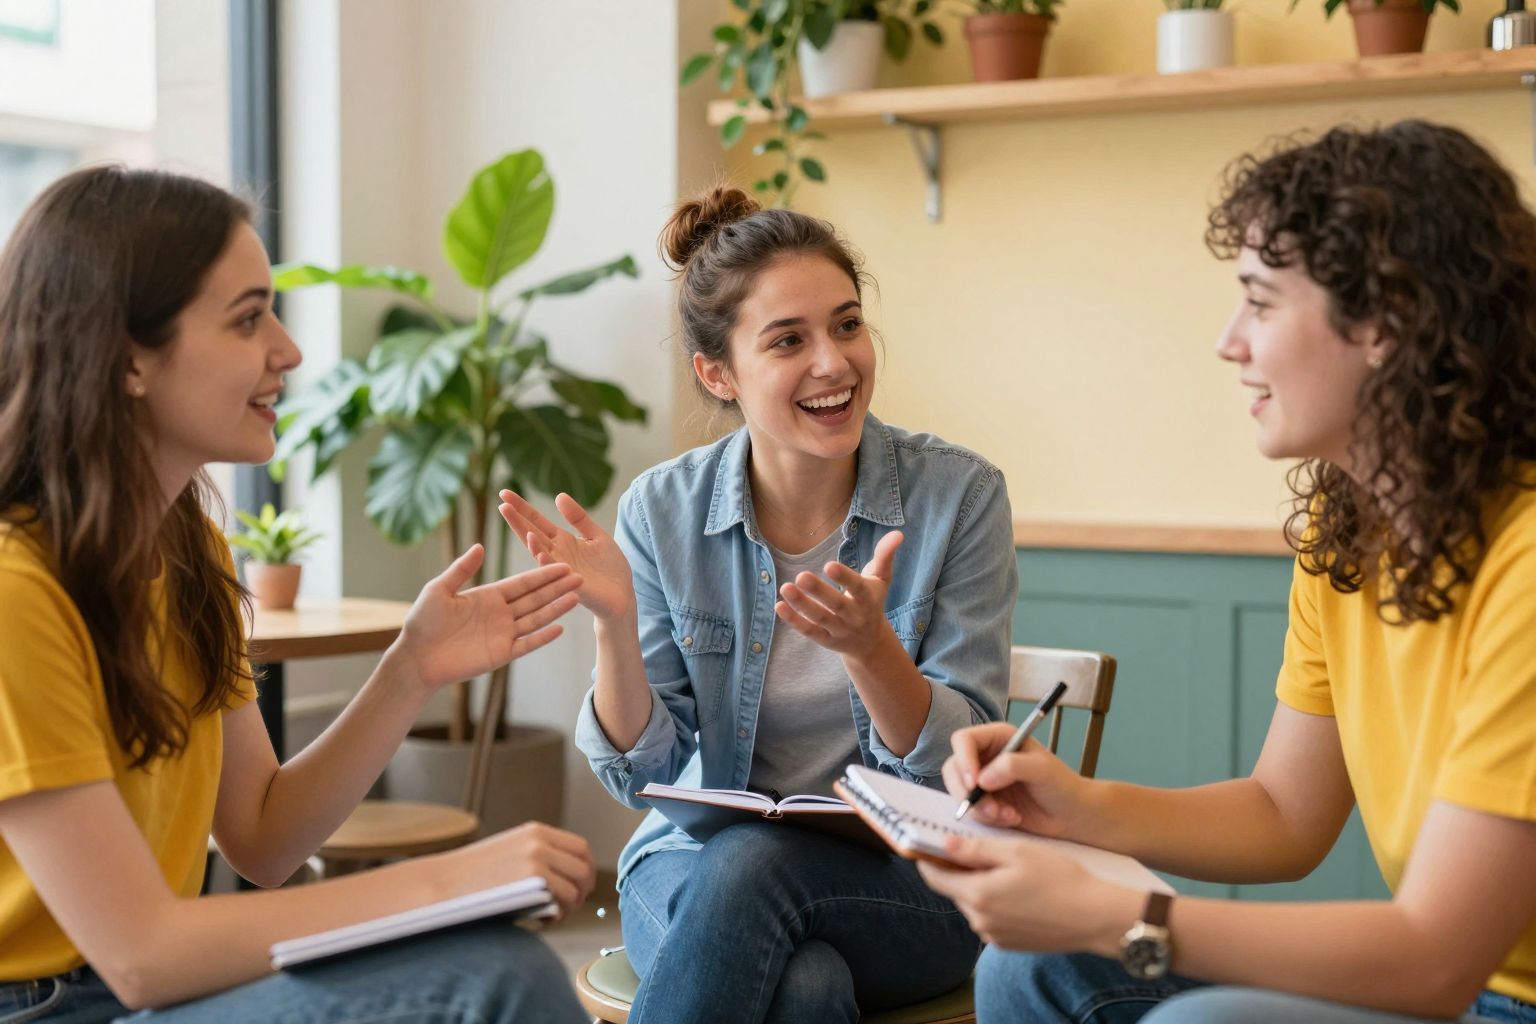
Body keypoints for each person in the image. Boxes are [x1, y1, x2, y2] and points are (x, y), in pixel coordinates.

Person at [918, 120, 1536, 1024]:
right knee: (1028, 970)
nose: (1228, 341)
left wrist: (1116, 912)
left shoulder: (1524, 561)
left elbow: (1436, 959)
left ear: (1387, 322)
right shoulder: (1347, 530)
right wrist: (1076, 807)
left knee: (1193, 1020)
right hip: (1452, 995)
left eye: (1260, 301)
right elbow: (1286, 814)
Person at [0, 166, 596, 1023]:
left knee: (491, 964)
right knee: (494, 978)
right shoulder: (19, 590)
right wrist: (448, 878)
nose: (289, 350)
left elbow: (264, 836)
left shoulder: (187, 548)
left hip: (135, 999)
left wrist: (410, 670)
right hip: (48, 1008)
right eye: (248, 318)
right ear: (128, 358)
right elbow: (141, 955)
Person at [497, 186, 1018, 1023]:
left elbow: (960, 772)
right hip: (694, 867)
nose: (834, 363)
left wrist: (869, 648)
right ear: (718, 373)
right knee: (804, 986)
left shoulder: (960, 497)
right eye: (788, 341)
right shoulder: (662, 510)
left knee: (753, 864)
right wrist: (615, 627)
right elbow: (647, 776)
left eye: (847, 324)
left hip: (914, 881)